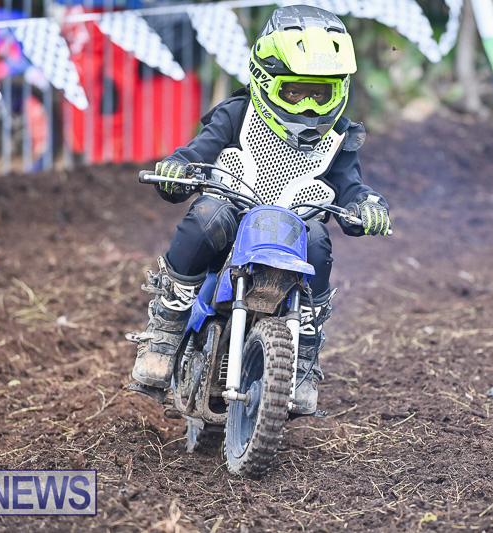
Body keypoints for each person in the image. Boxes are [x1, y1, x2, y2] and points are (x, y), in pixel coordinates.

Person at [128, 4, 391, 415]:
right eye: (295, 91)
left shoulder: (338, 138)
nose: (307, 106)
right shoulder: (238, 113)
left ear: (338, 90)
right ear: (266, 81)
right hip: (233, 217)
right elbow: (199, 152)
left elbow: (352, 188)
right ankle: (166, 327)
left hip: (293, 233)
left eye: (319, 93)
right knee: (205, 216)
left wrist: (368, 206)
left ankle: (303, 352)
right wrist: (178, 167)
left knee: (319, 238)